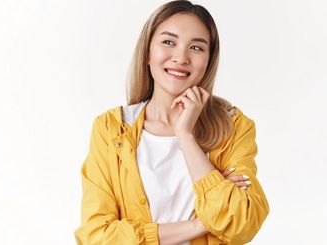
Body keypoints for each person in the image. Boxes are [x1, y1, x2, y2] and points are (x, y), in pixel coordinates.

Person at [74, 1, 269, 244]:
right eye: (169, 42)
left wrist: (185, 136)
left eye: (196, 47)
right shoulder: (112, 128)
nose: (181, 57)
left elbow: (241, 222)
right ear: (147, 52)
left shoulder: (233, 126)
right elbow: (96, 236)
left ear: (208, 60)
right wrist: (200, 224)